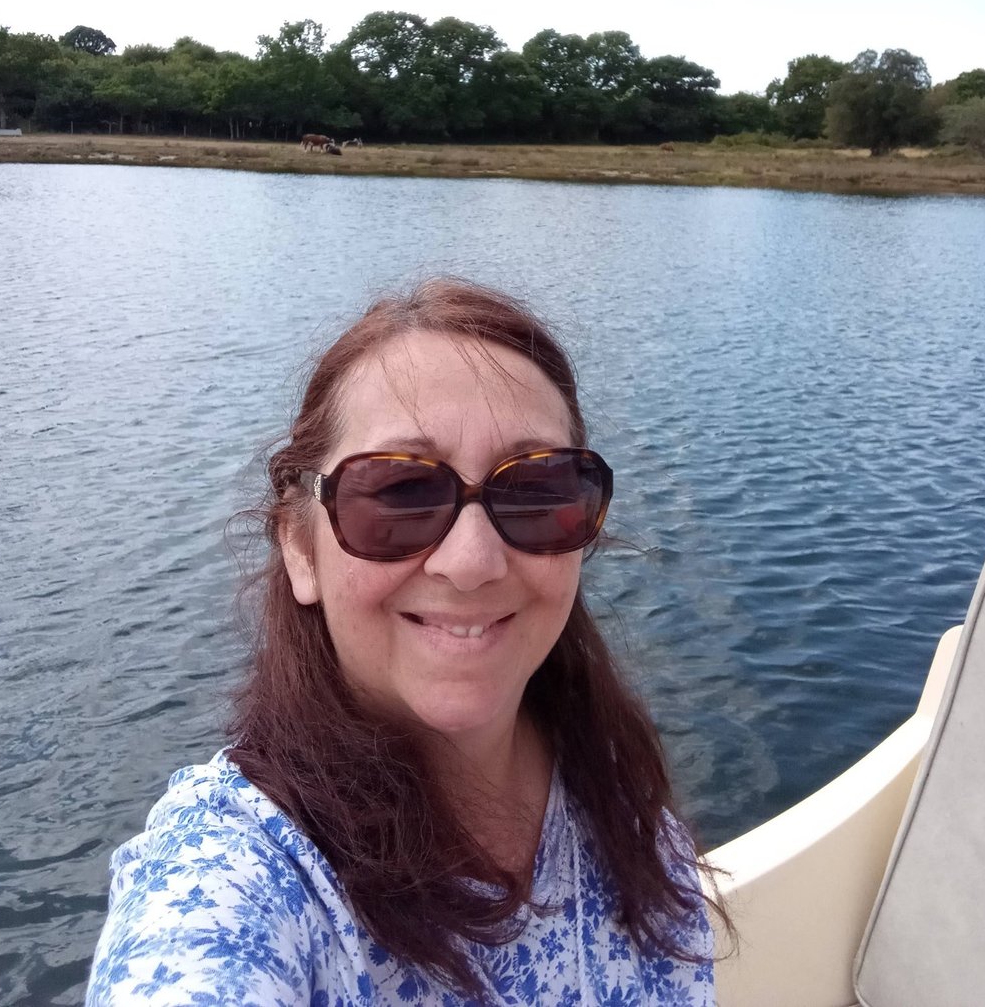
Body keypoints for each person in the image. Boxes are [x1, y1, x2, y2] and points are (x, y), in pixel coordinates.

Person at [87, 278, 720, 1005]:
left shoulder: (615, 800)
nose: (472, 561)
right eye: (399, 493)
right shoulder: (238, 874)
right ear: (300, 545)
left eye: (536, 489)